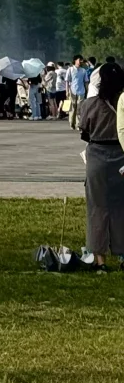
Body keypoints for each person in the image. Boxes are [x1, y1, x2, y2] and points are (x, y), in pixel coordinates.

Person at [79, 62, 124, 269]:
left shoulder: (90, 104)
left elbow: (84, 132)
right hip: (121, 155)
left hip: (97, 155)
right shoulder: (122, 102)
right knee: (120, 207)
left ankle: (100, 258)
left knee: (97, 207)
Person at [66, 57, 90, 130]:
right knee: (73, 108)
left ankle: (78, 124)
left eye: (81, 60)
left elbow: (86, 82)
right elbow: (67, 81)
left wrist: (87, 91)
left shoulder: (83, 71)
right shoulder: (70, 69)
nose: (80, 61)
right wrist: (67, 91)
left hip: (81, 91)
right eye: (79, 60)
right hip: (72, 91)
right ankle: (72, 123)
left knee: (79, 108)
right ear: (75, 61)